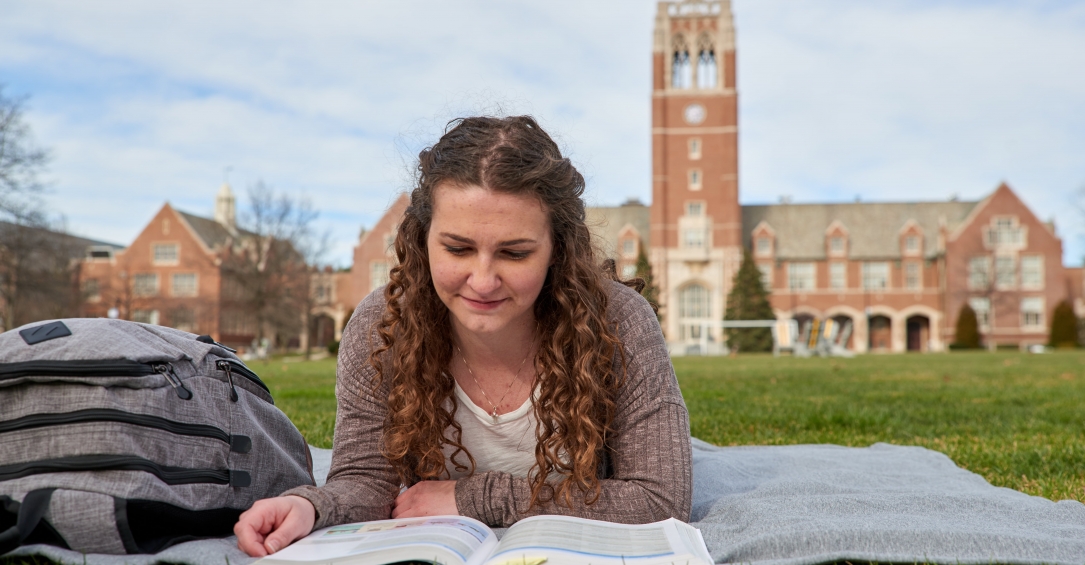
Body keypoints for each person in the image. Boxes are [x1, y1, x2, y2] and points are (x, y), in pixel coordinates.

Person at [234, 116, 692, 557]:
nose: (483, 280)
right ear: (422, 238)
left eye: (514, 253)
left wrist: (476, 499)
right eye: (457, 248)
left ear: (558, 250)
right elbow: (366, 481)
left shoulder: (618, 321)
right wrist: (310, 506)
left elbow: (659, 499)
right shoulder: (383, 325)